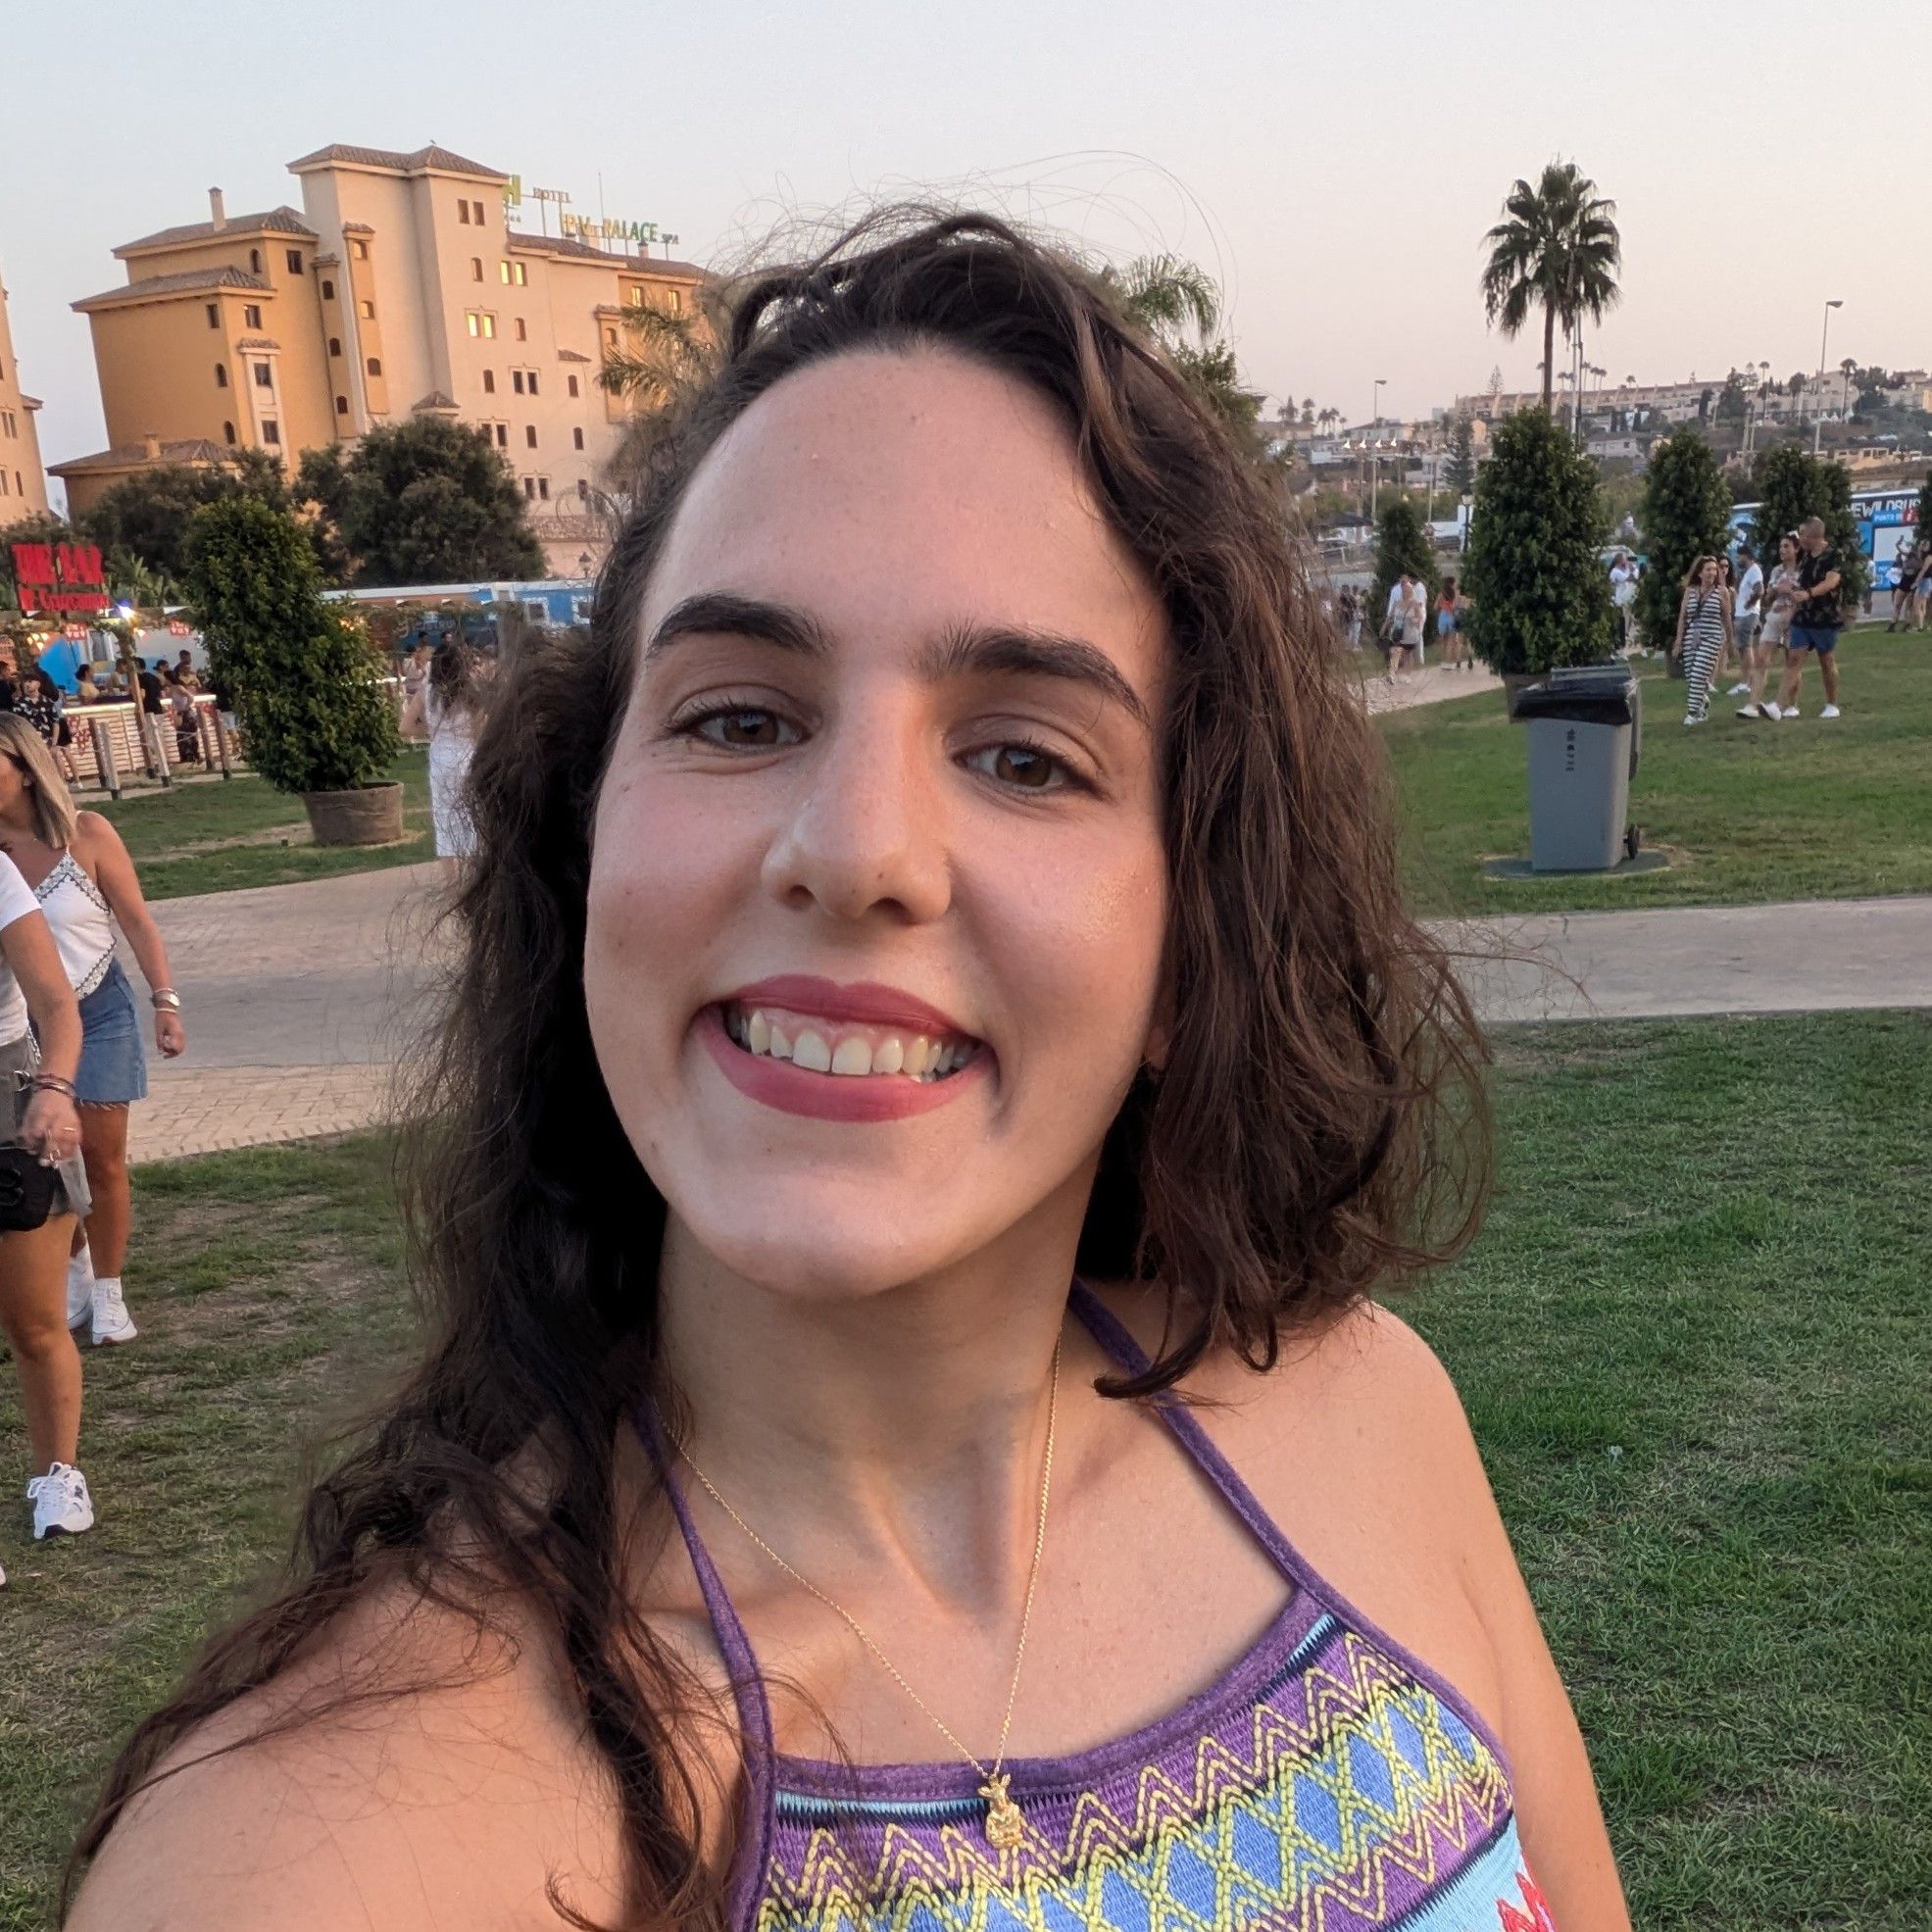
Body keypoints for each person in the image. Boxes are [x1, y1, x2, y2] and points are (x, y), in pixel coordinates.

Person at [71, 214, 1631, 1932]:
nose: (854, 847)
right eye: (740, 717)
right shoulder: (319, 1858)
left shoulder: (1363, 1420)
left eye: (1024, 755)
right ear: (587, 842)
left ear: (1191, 937)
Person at [0, 717, 185, 1351]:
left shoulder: (88, 834)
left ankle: (109, 1290)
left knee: (102, 1157)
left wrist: (166, 1001)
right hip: (22, 1027)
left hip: (100, 1010)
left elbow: (137, 922)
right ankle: (74, 1260)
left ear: (24, 767)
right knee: (50, 1158)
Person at [0, 843, 90, 1587]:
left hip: (9, 1103)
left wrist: (55, 1088)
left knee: (33, 1320)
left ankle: (58, 1475)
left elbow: (58, 1005)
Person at [398, 641, 493, 877]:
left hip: (440, 760)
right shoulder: (473, 693)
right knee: (473, 813)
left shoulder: (426, 693)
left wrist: (431, 730)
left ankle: (450, 876)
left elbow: (404, 728)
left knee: (443, 815)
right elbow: (481, 732)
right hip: (467, 758)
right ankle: (475, 872)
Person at [1773, 516, 1844, 720]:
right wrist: (1792, 596)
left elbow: (1831, 582)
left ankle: (1832, 704)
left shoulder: (1834, 554)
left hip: (1825, 617)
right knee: (1793, 659)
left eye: (1802, 534)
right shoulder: (1805, 558)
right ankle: (1779, 705)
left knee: (1826, 660)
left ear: (1812, 535)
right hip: (1803, 616)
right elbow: (1801, 587)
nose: (1800, 538)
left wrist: (1809, 593)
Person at [1740, 532, 1800, 720]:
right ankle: (1752, 705)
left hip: (1794, 619)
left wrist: (1790, 591)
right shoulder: (1776, 571)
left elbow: (1805, 596)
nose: (1782, 550)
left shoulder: (1804, 570)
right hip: (1774, 616)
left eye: (1787, 546)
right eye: (1781, 546)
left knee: (1791, 661)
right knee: (1761, 660)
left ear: (1796, 548)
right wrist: (1773, 592)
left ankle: (1792, 705)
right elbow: (1767, 599)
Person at [1672, 554, 1732, 724]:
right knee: (1692, 677)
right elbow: (1683, 618)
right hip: (1692, 637)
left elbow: (1727, 618)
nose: (1711, 573)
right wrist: (1678, 642)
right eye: (1708, 569)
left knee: (1698, 674)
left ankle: (1692, 713)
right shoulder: (1690, 591)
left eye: (1714, 569)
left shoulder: (1722, 592)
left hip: (1712, 637)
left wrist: (1730, 641)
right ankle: (1702, 704)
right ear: (1699, 573)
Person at [1727, 544, 1762, 697]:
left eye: (1738, 557)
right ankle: (1747, 680)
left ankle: (1745, 682)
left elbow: (1759, 590)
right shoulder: (1748, 572)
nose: (1737, 560)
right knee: (1743, 648)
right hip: (1743, 614)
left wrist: (1750, 603)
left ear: (1745, 556)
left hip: (1748, 615)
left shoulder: (1754, 571)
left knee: (1746, 647)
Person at [1435, 574, 1468, 669]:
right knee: (1451, 641)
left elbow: (1435, 607)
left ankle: (1443, 662)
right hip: (1451, 616)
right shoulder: (1455, 593)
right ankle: (1449, 662)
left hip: (1442, 616)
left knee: (1443, 641)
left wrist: (1442, 606)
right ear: (1452, 583)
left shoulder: (1441, 594)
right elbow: (1455, 606)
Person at [1609, 549, 1637, 650]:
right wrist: (1633, 569)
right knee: (1620, 624)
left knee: (1622, 623)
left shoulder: (1618, 571)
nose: (1627, 561)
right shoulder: (1616, 572)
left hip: (1620, 601)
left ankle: (1621, 642)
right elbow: (1630, 579)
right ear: (1620, 561)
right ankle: (1619, 644)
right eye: (1625, 559)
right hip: (1618, 601)